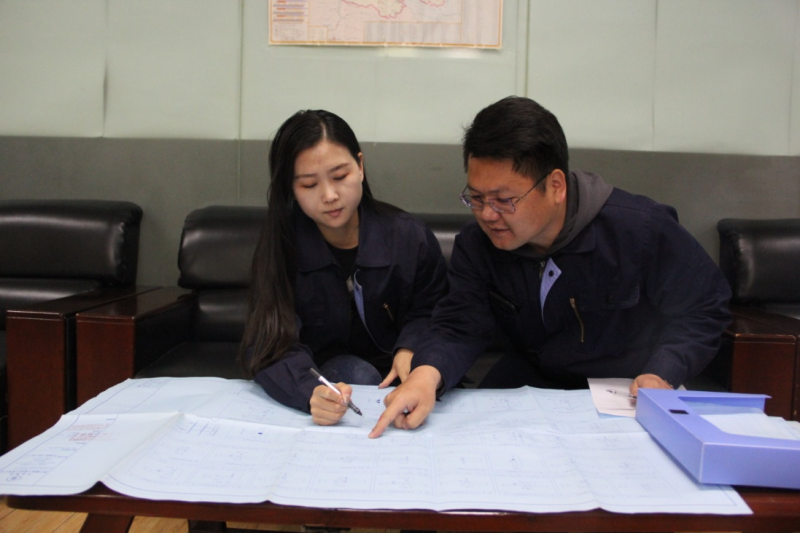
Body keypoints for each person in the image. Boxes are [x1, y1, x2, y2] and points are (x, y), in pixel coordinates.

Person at [370, 96, 732, 438]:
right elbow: (460, 325)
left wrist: (663, 372)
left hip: (627, 387)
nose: (488, 215)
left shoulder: (640, 230)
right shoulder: (477, 244)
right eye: (476, 198)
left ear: (555, 186)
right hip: (533, 378)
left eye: (504, 200)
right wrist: (425, 375)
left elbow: (704, 307)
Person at [240, 109, 448, 426]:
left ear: (360, 166)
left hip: (405, 379)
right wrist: (310, 392)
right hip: (329, 381)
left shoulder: (409, 237)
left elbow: (436, 312)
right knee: (355, 372)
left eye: (340, 177)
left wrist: (410, 348)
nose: (330, 195)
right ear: (291, 189)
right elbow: (269, 343)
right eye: (309, 184)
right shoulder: (282, 247)